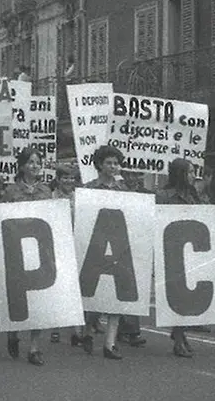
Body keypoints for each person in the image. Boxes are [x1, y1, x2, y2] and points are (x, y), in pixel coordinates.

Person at [80, 145, 147, 360]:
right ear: (99, 164)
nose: (112, 166)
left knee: (115, 299)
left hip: (118, 249)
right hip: (95, 249)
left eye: (116, 163)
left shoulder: (124, 191)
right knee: (93, 297)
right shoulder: (89, 188)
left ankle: (109, 344)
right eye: (108, 162)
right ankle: (88, 331)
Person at [1, 147, 53, 366]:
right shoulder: (10, 192)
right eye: (31, 162)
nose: (35, 166)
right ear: (22, 166)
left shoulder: (46, 191)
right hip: (16, 250)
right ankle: (13, 334)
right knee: (18, 297)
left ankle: (34, 347)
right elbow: (2, 219)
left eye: (38, 162)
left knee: (38, 300)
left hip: (39, 250)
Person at [156, 158, 202, 358]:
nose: (193, 176)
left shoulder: (194, 195)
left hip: (190, 251)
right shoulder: (164, 196)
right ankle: (179, 337)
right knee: (177, 296)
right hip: (171, 251)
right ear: (180, 174)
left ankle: (180, 334)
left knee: (188, 296)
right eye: (190, 172)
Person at [49, 165, 82, 345]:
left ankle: (76, 330)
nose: (69, 181)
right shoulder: (50, 196)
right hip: (56, 246)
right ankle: (55, 327)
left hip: (75, 246)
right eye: (65, 177)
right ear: (58, 179)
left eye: (72, 178)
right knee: (58, 289)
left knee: (74, 290)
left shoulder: (79, 198)